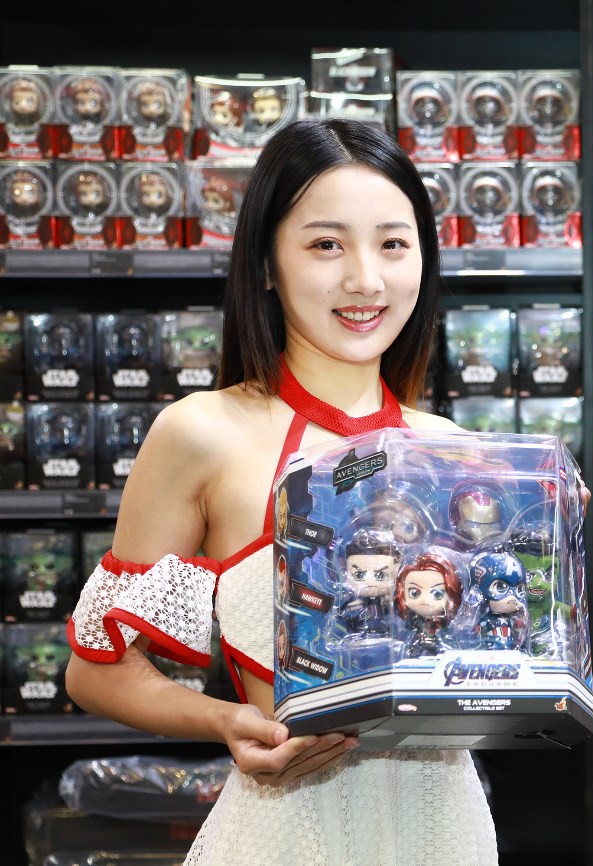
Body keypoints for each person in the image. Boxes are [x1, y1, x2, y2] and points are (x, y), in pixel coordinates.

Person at [64, 118, 499, 864]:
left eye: (393, 244)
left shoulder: (459, 453)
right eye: (326, 244)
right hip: (285, 832)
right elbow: (97, 668)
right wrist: (225, 721)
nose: (365, 278)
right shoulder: (202, 432)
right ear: (266, 263)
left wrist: (538, 544)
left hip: (447, 831)